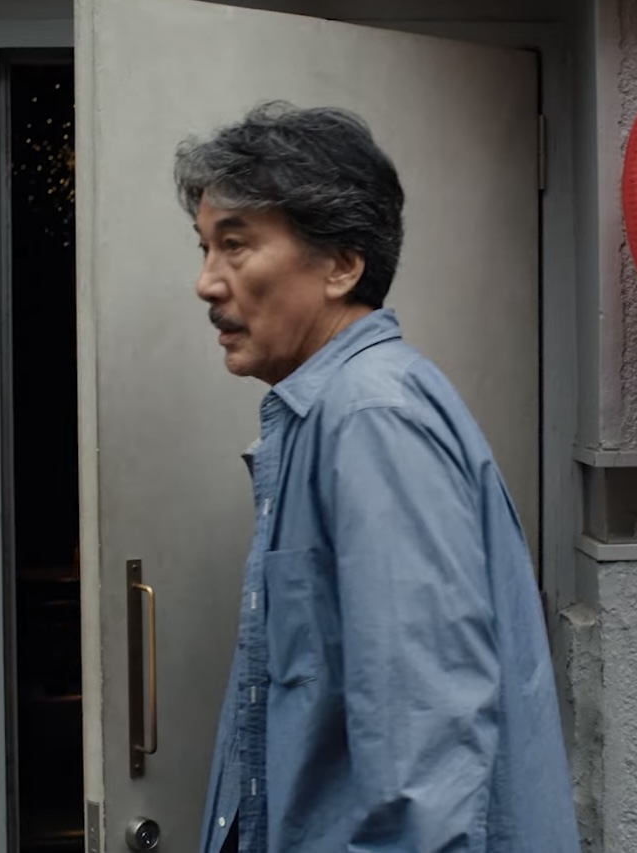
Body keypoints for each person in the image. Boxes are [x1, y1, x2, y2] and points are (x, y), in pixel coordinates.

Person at [175, 102, 580, 853]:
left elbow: (424, 745)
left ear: (342, 265)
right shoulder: (327, 410)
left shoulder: (371, 418)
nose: (206, 283)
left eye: (235, 245)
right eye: (204, 249)